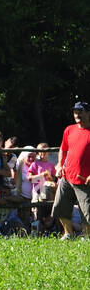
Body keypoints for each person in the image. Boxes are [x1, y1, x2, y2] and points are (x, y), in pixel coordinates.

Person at [53, 101, 90, 240]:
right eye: (75, 111)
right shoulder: (69, 129)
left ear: (88, 113)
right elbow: (63, 149)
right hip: (67, 176)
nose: (77, 114)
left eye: (81, 111)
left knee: (87, 211)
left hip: (84, 179)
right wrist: (59, 165)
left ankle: (87, 237)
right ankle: (69, 233)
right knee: (60, 206)